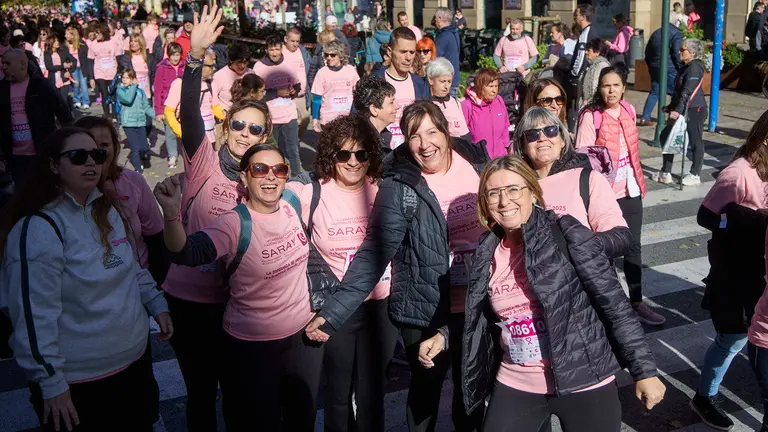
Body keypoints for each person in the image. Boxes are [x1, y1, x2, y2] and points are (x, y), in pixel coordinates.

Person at [417, 155, 665, 432]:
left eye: (513, 189)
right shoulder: (486, 252)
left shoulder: (567, 234)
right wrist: (444, 335)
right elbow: (483, 316)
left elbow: (615, 306)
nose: (504, 201)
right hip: (517, 381)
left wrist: (644, 371)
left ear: (533, 192)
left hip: (585, 379)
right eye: (493, 193)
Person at [305, 101, 490, 432]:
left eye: (432, 131)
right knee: (425, 397)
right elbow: (374, 253)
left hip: (476, 302)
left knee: (471, 393)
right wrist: (332, 313)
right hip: (424, 308)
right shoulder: (400, 185)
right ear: (404, 139)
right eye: (414, 135)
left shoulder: (476, 164)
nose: (425, 143)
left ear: (446, 131)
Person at [0, 126, 172, 432]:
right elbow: (31, 316)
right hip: (81, 384)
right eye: (78, 156)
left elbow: (129, 265)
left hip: (133, 367)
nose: (91, 162)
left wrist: (155, 301)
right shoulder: (37, 229)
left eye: (97, 155)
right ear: (53, 165)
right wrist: (51, 383)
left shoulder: (105, 210)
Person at [155, 142, 323, 431]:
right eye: (259, 169)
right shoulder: (234, 223)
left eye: (279, 169)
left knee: (302, 418)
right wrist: (171, 213)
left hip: (301, 338)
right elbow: (184, 253)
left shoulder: (293, 204)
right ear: (244, 177)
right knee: (262, 421)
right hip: (253, 345)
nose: (270, 176)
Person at [159, 7, 273, 431]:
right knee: (202, 395)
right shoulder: (203, 161)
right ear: (226, 127)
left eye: (255, 129)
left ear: (266, 137)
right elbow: (189, 116)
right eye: (239, 124)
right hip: (189, 301)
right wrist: (194, 59)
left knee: (239, 394)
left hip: (237, 304)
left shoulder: (265, 179)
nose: (245, 133)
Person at [286, 114, 397, 432]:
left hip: (382, 305)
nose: (353, 161)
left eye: (361, 153)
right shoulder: (312, 192)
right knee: (337, 394)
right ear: (330, 155)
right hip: (336, 309)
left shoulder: (383, 190)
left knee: (373, 393)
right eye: (343, 154)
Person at [693, 109, 768, 432]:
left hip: (761, 272)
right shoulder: (739, 174)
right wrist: (749, 221)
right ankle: (705, 397)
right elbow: (707, 217)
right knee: (733, 339)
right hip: (739, 274)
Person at [576, 66, 666, 326]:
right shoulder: (591, 116)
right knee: (608, 252)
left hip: (631, 189)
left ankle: (636, 302)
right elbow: (583, 158)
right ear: (599, 88)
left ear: (623, 87)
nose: (611, 90)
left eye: (616, 85)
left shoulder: (628, 109)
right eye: (606, 86)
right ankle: (612, 309)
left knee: (633, 247)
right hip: (605, 194)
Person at [513, 106, 631, 259]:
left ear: (562, 140)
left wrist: (581, 248)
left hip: (581, 276)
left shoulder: (588, 179)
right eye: (532, 134)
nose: (542, 138)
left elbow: (620, 235)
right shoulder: (515, 187)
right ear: (523, 146)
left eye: (551, 130)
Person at [74, 115, 169, 285]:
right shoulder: (69, 192)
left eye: (104, 145)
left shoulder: (133, 182)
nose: (96, 154)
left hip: (140, 283)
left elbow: (156, 238)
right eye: (89, 147)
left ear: (115, 148)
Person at [0, 49, 73, 185]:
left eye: (7, 63)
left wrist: (70, 144)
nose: (3, 67)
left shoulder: (41, 85)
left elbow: (64, 115)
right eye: (2, 63)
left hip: (42, 152)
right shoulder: (2, 89)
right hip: (15, 158)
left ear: (22, 64)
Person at [657, 38, 707, 186]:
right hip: (682, 108)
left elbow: (687, 91)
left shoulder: (695, 67)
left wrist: (677, 111)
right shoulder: (686, 66)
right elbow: (679, 92)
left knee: (695, 140)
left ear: (692, 52)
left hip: (694, 109)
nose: (680, 51)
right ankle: (665, 172)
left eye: (683, 50)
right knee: (666, 136)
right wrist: (671, 106)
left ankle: (695, 174)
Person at [372, 27, 430, 148]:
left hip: (412, 156)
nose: (408, 58)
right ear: (389, 51)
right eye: (403, 52)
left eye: (412, 52)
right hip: (381, 154)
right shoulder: (373, 83)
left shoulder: (420, 84)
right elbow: (358, 123)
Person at [254, 34, 302, 174]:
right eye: (271, 50)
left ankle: (298, 181)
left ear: (281, 49)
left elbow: (298, 85)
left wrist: (294, 90)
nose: (275, 53)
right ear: (266, 50)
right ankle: (278, 178)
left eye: (277, 49)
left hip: (289, 116)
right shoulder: (259, 67)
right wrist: (276, 93)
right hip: (271, 118)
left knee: (293, 151)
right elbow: (256, 95)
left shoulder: (288, 64)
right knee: (274, 152)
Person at [163, 48, 221, 156]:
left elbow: (215, 106)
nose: (213, 69)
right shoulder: (180, 83)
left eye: (214, 65)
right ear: (200, 65)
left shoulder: (212, 83)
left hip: (211, 136)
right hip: (192, 139)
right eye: (210, 66)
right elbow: (168, 111)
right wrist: (181, 132)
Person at [639, 18, 683, 127]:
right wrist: (680, 67)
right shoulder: (676, 33)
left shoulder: (656, 32)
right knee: (677, 92)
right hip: (669, 68)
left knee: (655, 91)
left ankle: (645, 117)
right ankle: (673, 118)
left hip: (655, 67)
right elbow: (676, 53)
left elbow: (647, 51)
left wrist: (651, 64)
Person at [311, 40, 359, 132]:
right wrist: (315, 119)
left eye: (333, 55)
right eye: (326, 55)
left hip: (347, 119)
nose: (329, 58)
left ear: (340, 56)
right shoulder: (322, 73)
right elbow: (317, 99)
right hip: (328, 119)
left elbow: (358, 93)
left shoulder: (351, 70)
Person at [462, 68, 510, 158]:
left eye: (496, 86)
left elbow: (505, 126)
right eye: (491, 86)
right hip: (478, 159)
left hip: (500, 157)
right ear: (480, 86)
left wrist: (506, 146)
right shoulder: (467, 105)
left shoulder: (499, 100)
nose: (494, 90)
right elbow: (463, 135)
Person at [117, 68, 155, 173]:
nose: (124, 80)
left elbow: (146, 107)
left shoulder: (140, 92)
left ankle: (143, 157)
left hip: (140, 123)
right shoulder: (120, 91)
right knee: (135, 148)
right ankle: (138, 170)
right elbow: (128, 99)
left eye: (127, 78)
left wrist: (158, 116)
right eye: (123, 78)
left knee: (144, 148)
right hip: (128, 124)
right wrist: (133, 86)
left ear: (133, 79)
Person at [154, 42, 185, 168]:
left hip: (183, 106)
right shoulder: (162, 68)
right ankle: (173, 155)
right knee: (170, 132)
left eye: (177, 55)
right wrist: (159, 111)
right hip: (168, 106)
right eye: (173, 55)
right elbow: (157, 90)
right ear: (168, 55)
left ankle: (188, 153)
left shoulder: (185, 66)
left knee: (186, 131)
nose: (175, 58)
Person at [566, 4, 595, 131]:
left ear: (582, 17)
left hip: (580, 77)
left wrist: (573, 75)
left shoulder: (586, 33)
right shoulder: (589, 31)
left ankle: (573, 133)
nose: (575, 18)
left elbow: (580, 56)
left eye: (576, 15)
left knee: (574, 107)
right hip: (584, 75)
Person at [427, 58, 470, 141]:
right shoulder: (427, 105)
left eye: (449, 81)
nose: (446, 86)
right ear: (431, 80)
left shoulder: (455, 102)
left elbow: (465, 133)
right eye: (442, 81)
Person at [352, 75, 397, 152]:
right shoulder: (363, 144)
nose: (397, 106)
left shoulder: (383, 135)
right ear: (374, 109)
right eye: (391, 102)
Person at [87, 22, 122, 120]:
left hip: (112, 72)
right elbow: (90, 61)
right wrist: (91, 78)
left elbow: (119, 58)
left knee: (113, 94)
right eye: (95, 33)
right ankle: (107, 115)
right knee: (104, 93)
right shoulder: (93, 44)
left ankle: (115, 116)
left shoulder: (114, 42)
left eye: (98, 33)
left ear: (104, 33)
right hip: (99, 73)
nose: (96, 35)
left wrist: (119, 73)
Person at [283, 27, 311, 137]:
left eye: (297, 41)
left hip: (302, 96)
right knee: (290, 124)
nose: (295, 44)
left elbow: (310, 67)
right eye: (292, 41)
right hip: (287, 97)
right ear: (286, 39)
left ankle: (296, 140)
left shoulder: (302, 51)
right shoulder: (280, 52)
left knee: (305, 119)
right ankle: (293, 145)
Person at [212, 42, 254, 115]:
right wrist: (221, 116)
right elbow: (213, 99)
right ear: (231, 60)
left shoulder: (251, 74)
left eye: (245, 62)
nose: (242, 66)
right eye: (239, 62)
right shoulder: (219, 76)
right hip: (225, 116)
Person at [118, 33, 154, 100]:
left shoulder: (149, 58)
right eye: (131, 41)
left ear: (141, 43)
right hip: (131, 95)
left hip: (146, 94)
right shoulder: (125, 58)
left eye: (135, 41)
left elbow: (153, 75)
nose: (132, 43)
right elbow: (120, 76)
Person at [434, 7, 460, 98]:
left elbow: (434, 58)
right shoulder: (454, 33)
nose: (435, 20)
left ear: (440, 18)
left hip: (445, 82)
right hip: (453, 78)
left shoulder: (444, 36)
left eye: (435, 17)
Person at [64, 26, 90, 110]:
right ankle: (77, 100)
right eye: (66, 34)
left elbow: (86, 56)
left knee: (84, 85)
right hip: (73, 68)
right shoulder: (65, 45)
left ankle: (85, 102)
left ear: (73, 35)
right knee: (76, 85)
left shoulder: (82, 44)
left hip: (82, 67)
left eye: (68, 34)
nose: (65, 36)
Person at [580, 38, 610, 107]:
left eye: (588, 50)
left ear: (597, 52)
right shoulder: (592, 65)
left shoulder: (603, 66)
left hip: (596, 106)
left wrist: (589, 102)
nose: (586, 52)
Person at [308, 30, 338, 99]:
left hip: (336, 90)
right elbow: (311, 76)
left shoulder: (338, 55)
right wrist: (317, 91)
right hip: (323, 93)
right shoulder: (318, 57)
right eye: (333, 41)